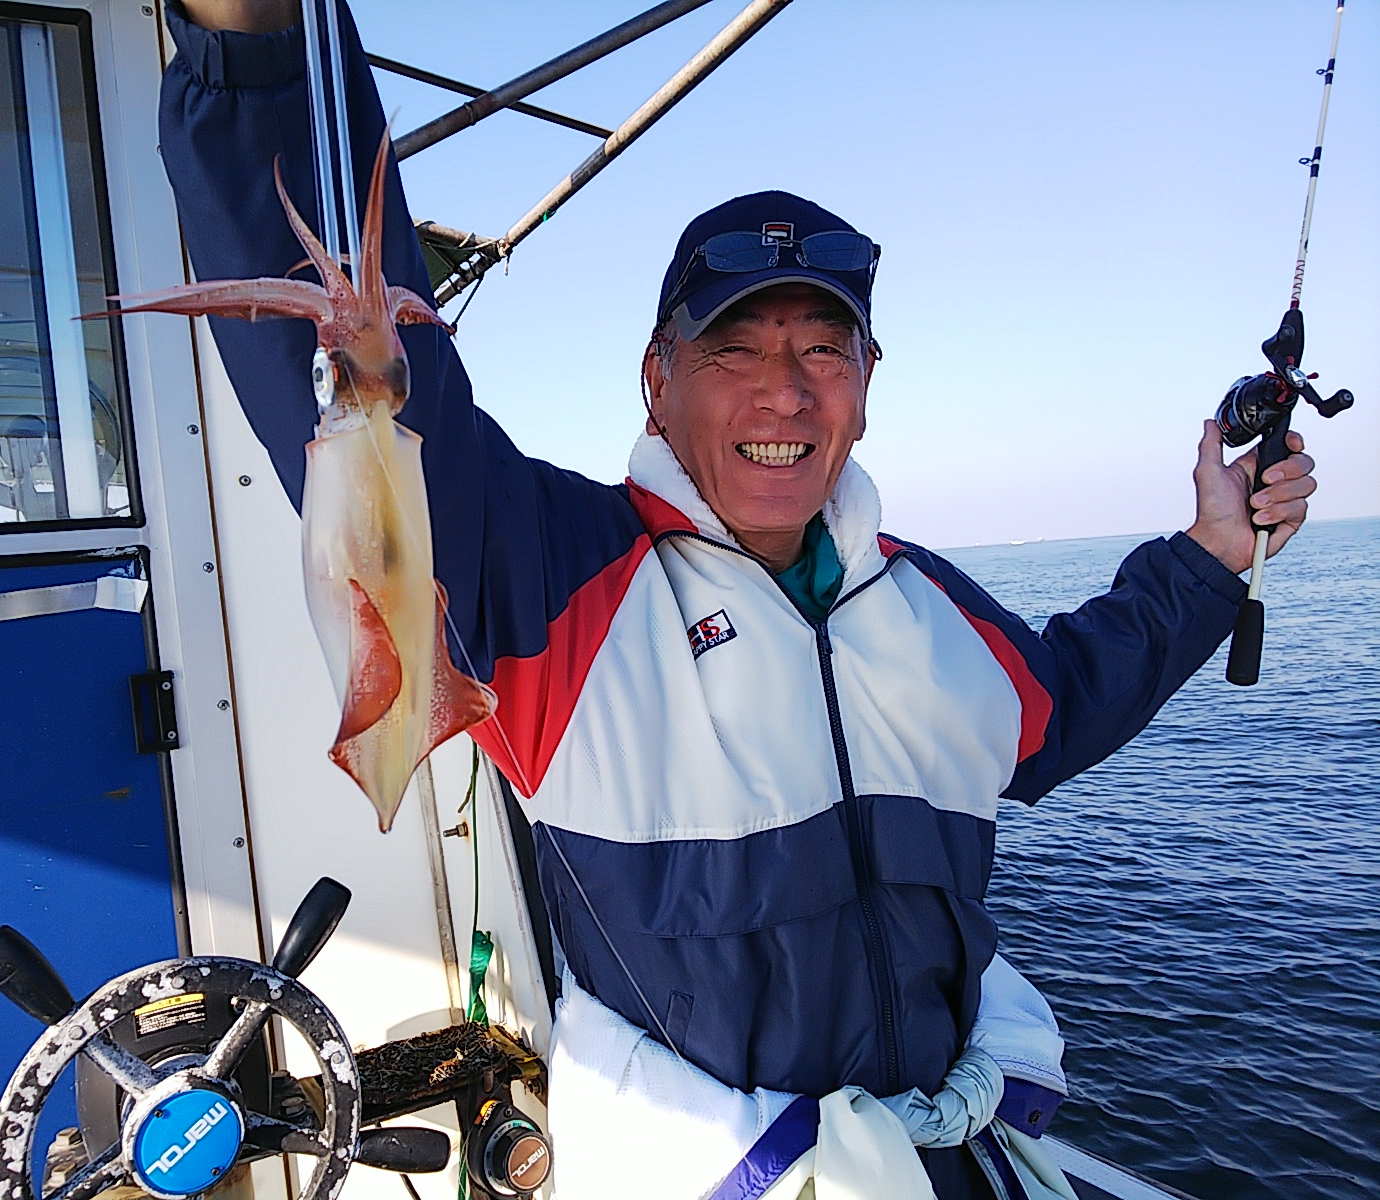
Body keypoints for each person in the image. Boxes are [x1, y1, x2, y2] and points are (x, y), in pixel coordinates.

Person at [156, 3, 1318, 1196]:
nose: (784, 393)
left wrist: (1209, 557)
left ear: (865, 385)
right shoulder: (545, 574)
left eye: (822, 350)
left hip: (943, 1154)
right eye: (733, 350)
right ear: (656, 382)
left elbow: (1062, 703)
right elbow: (376, 388)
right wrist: (256, 55)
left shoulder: (930, 605)